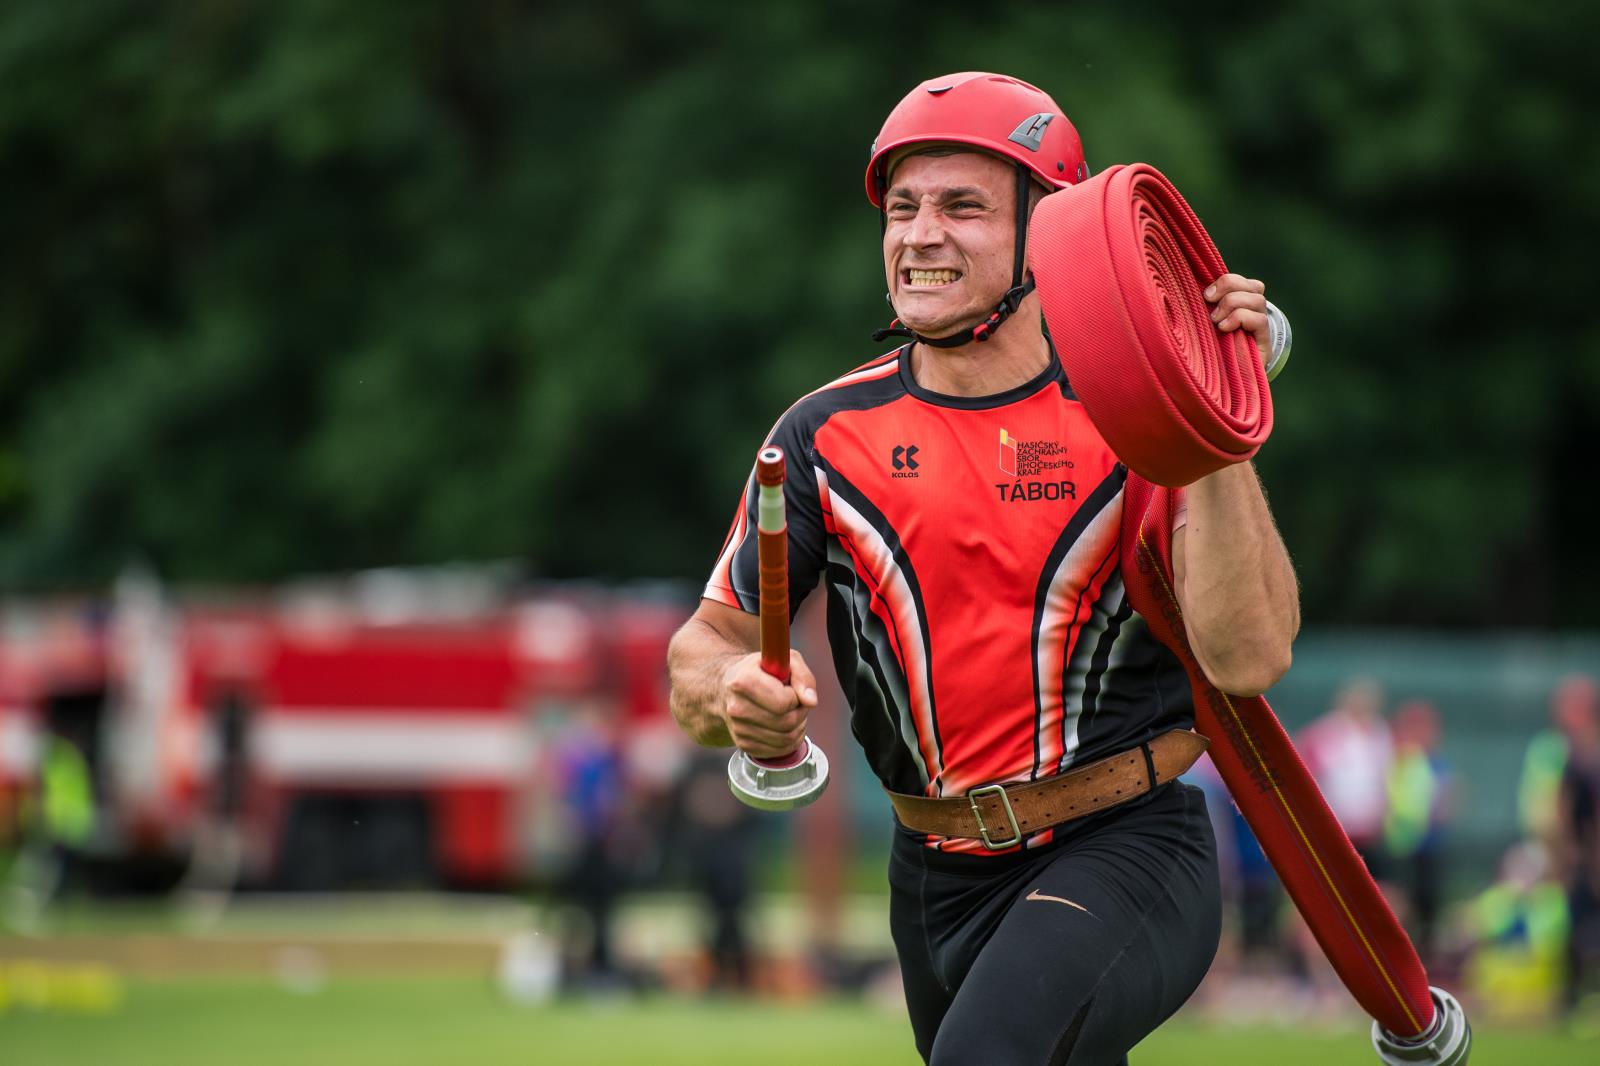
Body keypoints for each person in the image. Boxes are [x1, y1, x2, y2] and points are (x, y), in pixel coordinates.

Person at [667, 72, 1299, 1065]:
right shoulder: (821, 433)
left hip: (1124, 846)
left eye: (962, 206)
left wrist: (1209, 407)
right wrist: (732, 694)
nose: (920, 234)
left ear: (1044, 233)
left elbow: (1249, 654)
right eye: (903, 207)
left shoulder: (1133, 415)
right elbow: (706, 650)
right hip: (930, 875)